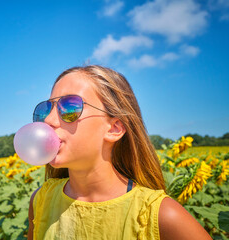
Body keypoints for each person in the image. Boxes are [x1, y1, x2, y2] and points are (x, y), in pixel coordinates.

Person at [27, 65, 211, 240]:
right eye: (46, 110)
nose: (49, 120)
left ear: (114, 129)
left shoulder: (160, 215)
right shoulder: (41, 201)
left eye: (70, 107)